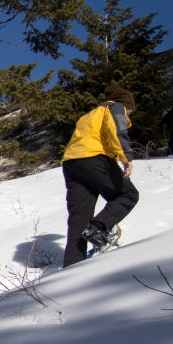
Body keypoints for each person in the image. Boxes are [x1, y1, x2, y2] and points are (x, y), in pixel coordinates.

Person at [61, 85, 140, 267]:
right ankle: (98, 228)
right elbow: (116, 130)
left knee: (79, 216)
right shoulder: (115, 107)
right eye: (130, 112)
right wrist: (126, 156)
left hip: (71, 163)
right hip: (94, 157)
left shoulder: (89, 115)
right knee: (128, 194)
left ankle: (72, 264)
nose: (129, 116)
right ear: (125, 104)